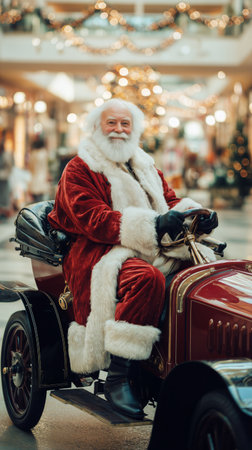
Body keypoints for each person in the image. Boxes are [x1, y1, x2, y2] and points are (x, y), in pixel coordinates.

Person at [48, 99, 218, 419]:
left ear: (134, 129)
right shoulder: (80, 167)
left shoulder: (143, 163)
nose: (119, 130)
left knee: (205, 270)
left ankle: (178, 360)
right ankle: (118, 376)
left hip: (149, 245)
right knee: (146, 278)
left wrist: (198, 214)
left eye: (125, 124)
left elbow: (169, 200)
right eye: (111, 123)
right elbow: (94, 219)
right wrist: (152, 225)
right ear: (97, 127)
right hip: (96, 250)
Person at [28, 135, 50, 202]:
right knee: (41, 199)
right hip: (42, 178)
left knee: (35, 199)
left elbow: (30, 167)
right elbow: (46, 166)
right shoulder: (44, 153)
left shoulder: (32, 154)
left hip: (34, 178)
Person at [0, 129, 14, 219]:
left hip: (3, 180)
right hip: (2, 180)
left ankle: (3, 214)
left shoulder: (5, 155)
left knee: (3, 198)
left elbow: (9, 168)